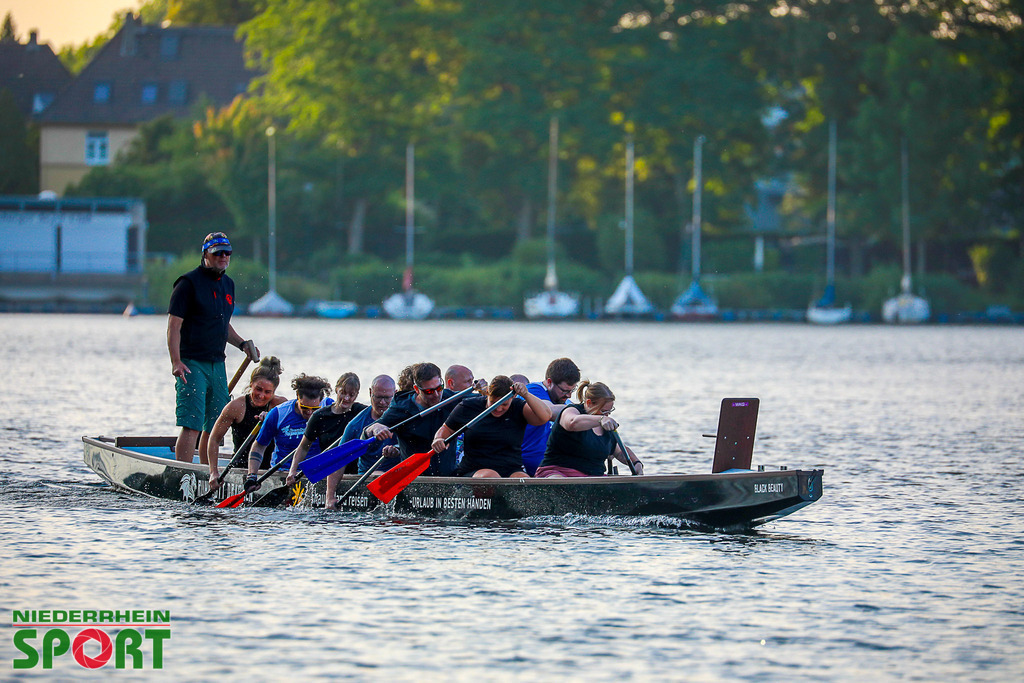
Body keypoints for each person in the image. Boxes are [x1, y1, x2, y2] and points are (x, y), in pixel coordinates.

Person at [167, 231, 259, 464]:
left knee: (216, 423)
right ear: (206, 254)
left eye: (227, 252)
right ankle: (184, 472)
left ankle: (209, 473)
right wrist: (176, 361)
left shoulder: (228, 284)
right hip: (191, 363)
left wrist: (242, 344)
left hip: (217, 363)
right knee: (192, 423)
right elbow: (174, 326)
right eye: (218, 253)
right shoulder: (187, 284)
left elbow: (222, 324)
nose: (223, 257)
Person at [433, 376, 551, 479]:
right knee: (490, 477)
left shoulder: (518, 407)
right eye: (493, 403)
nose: (499, 408)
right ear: (488, 394)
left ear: (513, 397)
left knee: (523, 480)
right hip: (475, 469)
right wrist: (438, 439)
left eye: (504, 404)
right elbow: (446, 429)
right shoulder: (468, 406)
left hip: (511, 469)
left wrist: (526, 394)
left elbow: (545, 416)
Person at [206, 356, 287, 491]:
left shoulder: (281, 405)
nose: (261, 395)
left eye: (267, 392)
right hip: (241, 469)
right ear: (251, 385)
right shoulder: (236, 407)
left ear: (274, 392)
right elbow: (214, 439)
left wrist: (271, 418)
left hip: (270, 470)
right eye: (258, 389)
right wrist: (213, 472)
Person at [321, 375, 401, 509]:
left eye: (387, 398)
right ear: (370, 393)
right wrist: (330, 497)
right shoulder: (355, 424)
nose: (382, 402)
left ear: (395, 394)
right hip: (368, 477)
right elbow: (339, 460)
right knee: (378, 476)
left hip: (399, 475)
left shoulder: (404, 416)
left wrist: (397, 449)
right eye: (378, 397)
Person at [365, 362, 459, 476]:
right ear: (416, 389)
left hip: (449, 477)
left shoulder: (452, 399)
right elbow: (370, 429)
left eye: (439, 388)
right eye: (429, 391)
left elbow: (477, 401)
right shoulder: (401, 408)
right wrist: (376, 428)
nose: (436, 395)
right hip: (413, 477)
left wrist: (479, 389)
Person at [535, 381, 642, 478]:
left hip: (593, 478)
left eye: (609, 411)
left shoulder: (606, 425)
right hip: (557, 473)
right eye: (603, 411)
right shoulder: (571, 411)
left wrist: (636, 463)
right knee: (561, 482)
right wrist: (600, 419)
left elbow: (620, 452)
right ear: (589, 403)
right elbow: (572, 422)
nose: (607, 415)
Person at [246, 374, 332, 487]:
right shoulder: (278, 414)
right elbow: (259, 446)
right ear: (297, 397)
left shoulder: (329, 407)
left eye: (315, 409)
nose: (310, 413)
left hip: (318, 473)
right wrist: (252, 475)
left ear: (321, 401)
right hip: (284, 473)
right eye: (305, 408)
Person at [286, 373, 367, 485]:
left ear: (357, 395)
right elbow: (303, 447)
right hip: (330, 475)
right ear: (336, 389)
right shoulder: (320, 416)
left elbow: (382, 414)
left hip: (356, 476)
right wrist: (292, 471)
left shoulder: (362, 412)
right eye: (343, 393)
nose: (346, 398)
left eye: (351, 395)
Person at [519, 358, 581, 475]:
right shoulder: (532, 391)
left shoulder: (566, 402)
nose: (569, 395)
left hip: (554, 465)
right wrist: (584, 412)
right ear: (549, 382)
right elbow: (549, 412)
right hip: (524, 465)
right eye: (564, 391)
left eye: (572, 390)